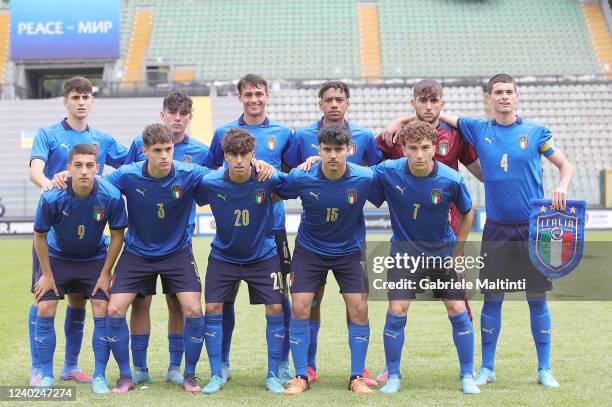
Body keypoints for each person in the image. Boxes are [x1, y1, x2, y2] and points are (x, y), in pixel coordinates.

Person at [437, 74, 574, 388]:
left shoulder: (536, 132)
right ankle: (487, 368)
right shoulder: (477, 128)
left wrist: (562, 186)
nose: (503, 97)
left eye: (508, 92)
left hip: (532, 228)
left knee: (537, 298)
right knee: (492, 298)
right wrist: (400, 120)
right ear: (489, 98)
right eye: (497, 92)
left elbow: (565, 165)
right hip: (496, 229)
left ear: (517, 96)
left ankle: (544, 369)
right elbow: (436, 114)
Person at [374, 79, 482, 383]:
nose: (429, 106)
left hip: (445, 236)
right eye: (424, 101)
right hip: (408, 237)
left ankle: (468, 370)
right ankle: (390, 370)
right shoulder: (395, 136)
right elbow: (366, 166)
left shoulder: (456, 137)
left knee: (459, 304)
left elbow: (479, 179)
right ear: (414, 104)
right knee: (398, 307)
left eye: (435, 101)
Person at [28, 76, 127, 385]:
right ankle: (38, 368)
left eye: (86, 96)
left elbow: (133, 160)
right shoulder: (48, 134)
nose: (81, 102)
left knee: (77, 301)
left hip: (89, 232)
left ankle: (70, 366)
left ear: (92, 101)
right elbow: (35, 167)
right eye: (75, 97)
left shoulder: (103, 140)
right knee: (44, 300)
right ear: (66, 101)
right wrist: (47, 184)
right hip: (55, 227)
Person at [103, 123, 212, 394]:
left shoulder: (189, 173)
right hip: (137, 253)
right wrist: (63, 178)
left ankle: (186, 373)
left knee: (193, 310)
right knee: (115, 309)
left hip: (177, 253)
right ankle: (131, 373)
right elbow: (96, 184)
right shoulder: (127, 175)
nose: (165, 156)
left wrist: (259, 166)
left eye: (169, 149)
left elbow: (227, 176)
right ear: (145, 152)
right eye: (158, 150)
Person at [284, 80, 381, 384]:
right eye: (327, 150)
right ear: (319, 149)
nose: (334, 155)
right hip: (310, 250)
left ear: (350, 149)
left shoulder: (365, 176)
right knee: (302, 306)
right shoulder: (303, 174)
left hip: (350, 250)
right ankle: (303, 373)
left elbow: (391, 182)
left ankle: (357, 375)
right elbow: (275, 184)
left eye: (339, 150)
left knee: (359, 307)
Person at [209, 74, 294, 382]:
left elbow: (293, 174)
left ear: (267, 95)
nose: (254, 99)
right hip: (235, 229)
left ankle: (282, 362)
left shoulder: (283, 132)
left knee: (279, 299)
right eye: (248, 94)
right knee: (224, 298)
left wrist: (278, 171)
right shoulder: (224, 132)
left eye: (259, 93)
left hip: (274, 228)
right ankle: (223, 361)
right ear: (239, 96)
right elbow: (212, 174)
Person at [194, 128, 286, 394]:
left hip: (263, 257)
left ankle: (272, 374)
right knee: (212, 309)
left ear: (252, 155)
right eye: (232, 154)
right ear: (224, 156)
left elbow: (295, 183)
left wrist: (306, 162)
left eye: (243, 154)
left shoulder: (268, 179)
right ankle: (216, 373)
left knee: (276, 310)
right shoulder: (211, 182)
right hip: (223, 257)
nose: (238, 160)